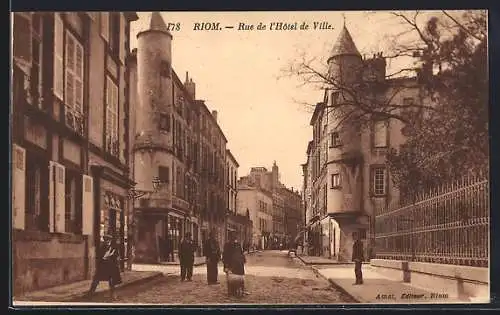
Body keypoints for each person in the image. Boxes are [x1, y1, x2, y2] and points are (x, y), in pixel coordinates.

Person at [87, 234, 122, 300]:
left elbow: (116, 256)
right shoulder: (102, 247)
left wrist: (112, 256)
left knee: (112, 281)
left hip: (111, 266)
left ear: (110, 240)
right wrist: (104, 257)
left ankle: (113, 295)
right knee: (96, 279)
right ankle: (91, 293)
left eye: (108, 240)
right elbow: (99, 257)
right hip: (103, 267)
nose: (107, 242)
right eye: (106, 240)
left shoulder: (114, 247)